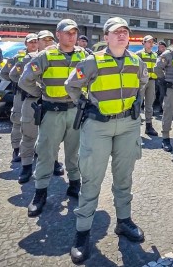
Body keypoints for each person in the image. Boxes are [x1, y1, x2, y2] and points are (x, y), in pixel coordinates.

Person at [64, 17, 148, 263]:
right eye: (116, 32)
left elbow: (142, 83)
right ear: (106, 37)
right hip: (97, 126)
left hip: (128, 125)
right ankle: (82, 232)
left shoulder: (136, 61)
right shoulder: (92, 61)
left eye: (125, 31)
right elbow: (72, 85)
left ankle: (124, 221)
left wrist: (133, 104)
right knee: (91, 179)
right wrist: (86, 104)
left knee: (124, 177)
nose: (121, 35)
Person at [19, 19, 87, 217]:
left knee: (74, 152)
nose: (71, 36)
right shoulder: (46, 55)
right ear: (58, 34)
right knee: (46, 153)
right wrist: (42, 94)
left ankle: (74, 185)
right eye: (67, 33)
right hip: (52, 111)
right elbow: (25, 80)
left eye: (74, 33)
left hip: (75, 111)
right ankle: (40, 193)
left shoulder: (83, 54)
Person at [9, 33, 40, 182]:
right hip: (24, 96)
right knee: (20, 123)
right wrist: (23, 86)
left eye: (36, 42)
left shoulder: (44, 57)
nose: (34, 44)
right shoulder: (21, 58)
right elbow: (10, 74)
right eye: (31, 42)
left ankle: (41, 157)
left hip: (41, 99)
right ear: (26, 44)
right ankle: (18, 152)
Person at [135, 35, 159, 136]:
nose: (151, 44)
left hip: (152, 81)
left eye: (152, 42)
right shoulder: (138, 54)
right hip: (140, 82)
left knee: (149, 105)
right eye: (148, 42)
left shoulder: (154, 55)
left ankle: (148, 126)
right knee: (138, 103)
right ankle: (135, 127)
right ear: (143, 43)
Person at [155, 40, 168, 112]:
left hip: (164, 77)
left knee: (163, 93)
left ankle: (161, 107)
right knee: (156, 93)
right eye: (160, 47)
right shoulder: (155, 54)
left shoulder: (167, 55)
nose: (161, 48)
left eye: (163, 47)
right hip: (156, 77)